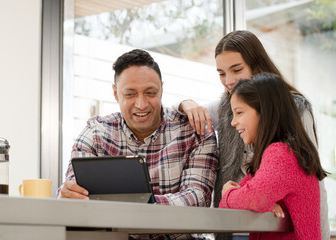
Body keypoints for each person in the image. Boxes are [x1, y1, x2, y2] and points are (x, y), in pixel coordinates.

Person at [174, 30, 330, 240]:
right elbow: (176, 115)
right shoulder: (227, 107)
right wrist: (186, 103)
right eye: (221, 73)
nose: (228, 81)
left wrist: (236, 195)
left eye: (236, 69)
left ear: (258, 65)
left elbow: (310, 186)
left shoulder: (284, 142)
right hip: (243, 223)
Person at [57, 49, 218, 240]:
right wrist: (66, 195)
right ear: (116, 94)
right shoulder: (95, 134)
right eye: (130, 94)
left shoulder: (194, 132)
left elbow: (197, 201)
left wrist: (126, 205)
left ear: (162, 89)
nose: (141, 104)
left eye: (150, 93)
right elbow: (74, 194)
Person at [219, 73, 328, 240]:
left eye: (239, 112)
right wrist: (261, 201)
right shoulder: (277, 157)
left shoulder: (282, 154)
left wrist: (228, 192)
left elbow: (253, 199)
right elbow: (229, 208)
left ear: (264, 112)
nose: (233, 122)